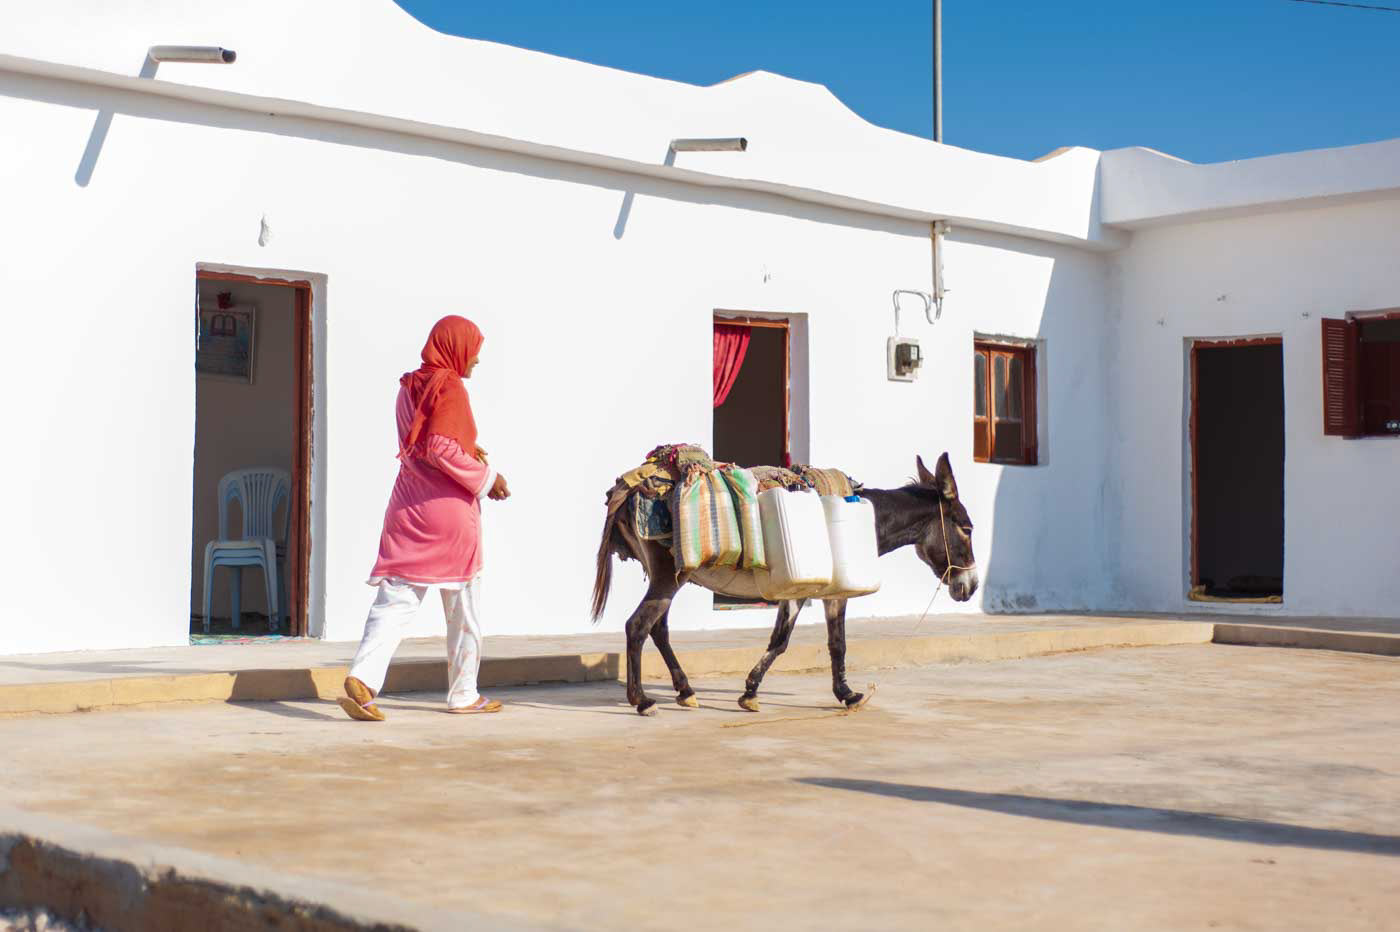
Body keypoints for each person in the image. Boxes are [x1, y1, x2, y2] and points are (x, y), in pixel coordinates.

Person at [339, 315, 510, 722]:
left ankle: (363, 678)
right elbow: (440, 448)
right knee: (464, 608)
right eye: (473, 351)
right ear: (455, 348)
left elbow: (425, 442)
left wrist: (470, 449)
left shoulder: (409, 387)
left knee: (395, 600)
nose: (476, 361)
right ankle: (464, 693)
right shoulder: (450, 387)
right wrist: (489, 479)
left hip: (407, 507)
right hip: (448, 515)